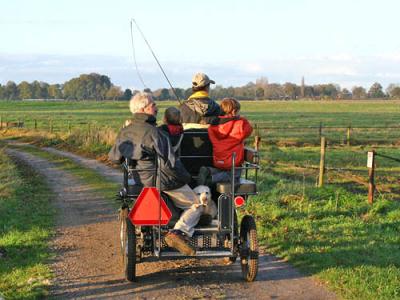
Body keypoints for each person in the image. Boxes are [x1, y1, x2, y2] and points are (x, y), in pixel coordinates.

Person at [108, 92, 203, 255]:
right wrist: (189, 180)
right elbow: (171, 163)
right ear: (144, 108)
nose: (156, 107)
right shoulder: (156, 133)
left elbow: (114, 158)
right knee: (197, 205)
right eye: (153, 104)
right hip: (162, 181)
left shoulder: (125, 131)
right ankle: (178, 232)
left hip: (139, 182)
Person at [198, 98, 253, 186]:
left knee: (222, 170)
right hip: (234, 161)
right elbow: (249, 130)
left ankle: (209, 170)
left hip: (218, 159)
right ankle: (211, 179)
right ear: (234, 111)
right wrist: (241, 119)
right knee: (234, 175)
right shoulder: (240, 123)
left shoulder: (214, 124)